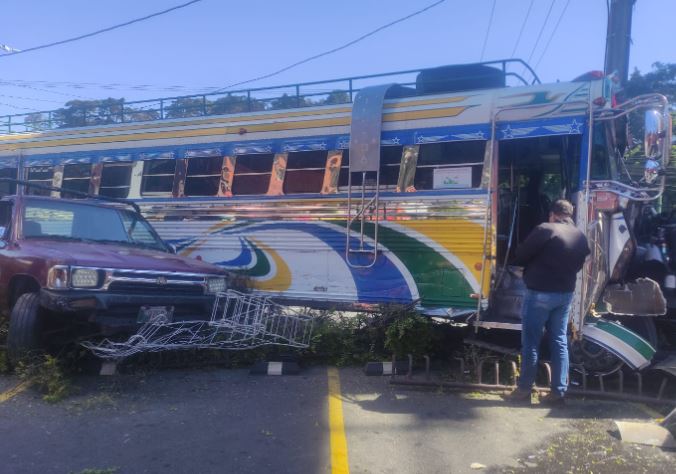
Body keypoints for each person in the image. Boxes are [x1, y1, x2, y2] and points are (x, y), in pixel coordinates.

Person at [505, 199, 590, 406]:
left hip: (540, 294)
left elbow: (522, 254)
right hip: (565, 295)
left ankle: (524, 390)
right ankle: (558, 392)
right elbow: (583, 260)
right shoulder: (579, 235)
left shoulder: (545, 229)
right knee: (559, 341)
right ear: (569, 215)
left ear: (552, 214)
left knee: (531, 342)